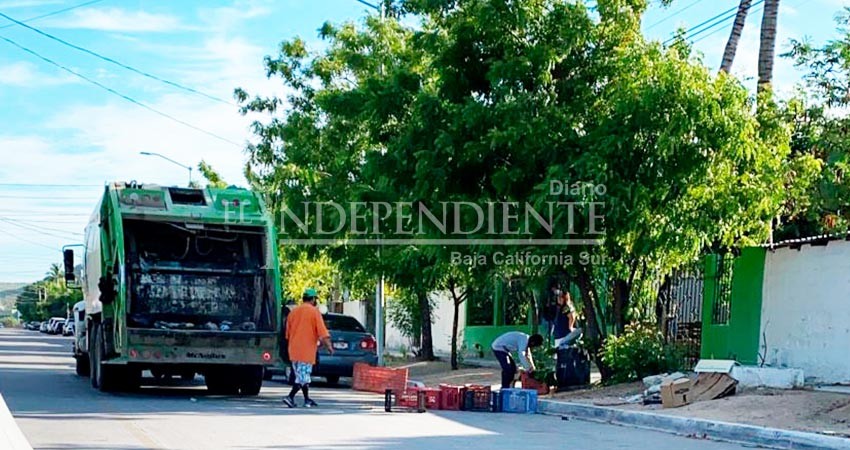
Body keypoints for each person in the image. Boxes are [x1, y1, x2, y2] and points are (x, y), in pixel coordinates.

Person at [282, 288, 334, 408]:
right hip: (306, 352)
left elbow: (287, 334)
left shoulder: (293, 312)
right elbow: (323, 332)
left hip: (293, 350)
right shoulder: (314, 312)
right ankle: (290, 397)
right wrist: (329, 347)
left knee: (302, 376)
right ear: (313, 299)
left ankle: (307, 399)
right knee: (302, 377)